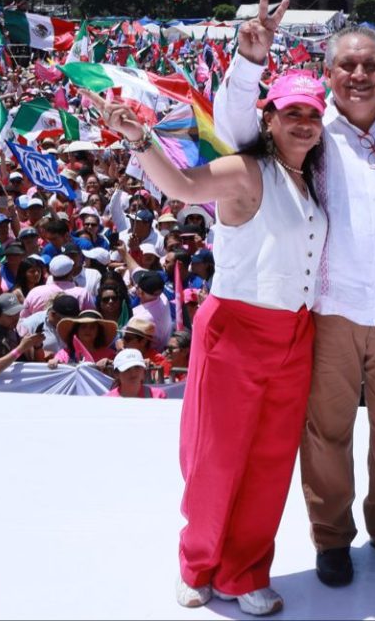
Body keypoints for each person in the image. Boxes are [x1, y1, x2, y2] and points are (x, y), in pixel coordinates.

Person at [215, 0, 375, 588]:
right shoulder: (309, 126)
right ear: (327, 74)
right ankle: (332, 538)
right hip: (331, 308)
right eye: (347, 65)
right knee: (327, 431)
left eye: (371, 64)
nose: (360, 75)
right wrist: (248, 64)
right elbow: (235, 132)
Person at [91, 67, 328, 617]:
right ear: (268, 119)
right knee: (217, 458)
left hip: (295, 334)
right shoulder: (248, 171)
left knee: (270, 463)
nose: (303, 123)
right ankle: (198, 563)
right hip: (238, 330)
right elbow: (182, 186)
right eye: (291, 112)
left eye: (312, 114)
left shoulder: (311, 179)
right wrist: (138, 137)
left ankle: (244, 569)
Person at [0, 292, 45, 377]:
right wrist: (20, 349)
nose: (16, 317)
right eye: (10, 315)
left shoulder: (20, 331)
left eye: (17, 313)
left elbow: (39, 364)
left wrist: (37, 346)